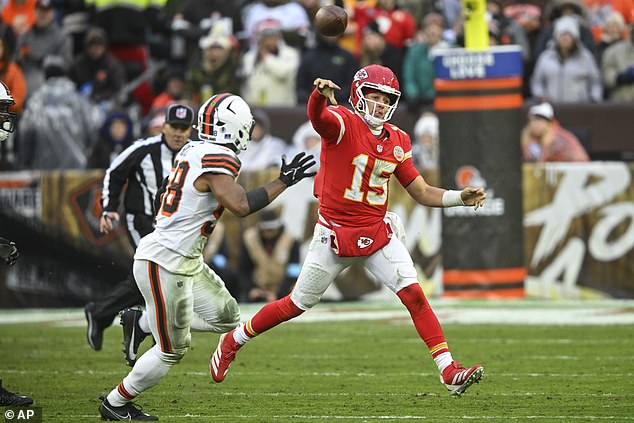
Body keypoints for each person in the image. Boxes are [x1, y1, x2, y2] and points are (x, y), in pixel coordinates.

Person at [210, 64, 487, 396]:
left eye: (387, 100)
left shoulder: (398, 139)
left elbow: (421, 190)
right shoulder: (342, 122)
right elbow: (319, 118)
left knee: (413, 294)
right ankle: (234, 339)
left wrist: (459, 197)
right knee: (296, 304)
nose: (381, 105)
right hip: (334, 234)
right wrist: (317, 96)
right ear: (358, 96)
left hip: (377, 233)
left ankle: (448, 370)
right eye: (374, 97)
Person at [98, 93, 316, 420]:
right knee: (172, 350)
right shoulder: (217, 156)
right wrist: (283, 182)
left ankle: (142, 321)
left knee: (228, 318)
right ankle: (115, 403)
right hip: (165, 262)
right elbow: (240, 205)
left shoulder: (192, 149)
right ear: (236, 127)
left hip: (185, 260)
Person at [84, 103, 195, 364]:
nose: (178, 133)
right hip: (142, 221)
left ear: (191, 130)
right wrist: (109, 208)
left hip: (176, 227)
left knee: (160, 275)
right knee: (152, 272)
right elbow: (114, 172)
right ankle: (147, 328)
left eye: (184, 128)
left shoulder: (195, 153)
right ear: (164, 126)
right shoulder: (144, 149)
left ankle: (103, 314)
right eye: (174, 126)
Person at [239, 209, 301, 303]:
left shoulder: (291, 240)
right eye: (266, 230)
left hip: (284, 290)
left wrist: (279, 293)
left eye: (272, 230)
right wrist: (251, 288)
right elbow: (244, 269)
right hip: (258, 290)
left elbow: (293, 271)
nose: (269, 233)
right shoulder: (250, 239)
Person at [521, 102, 590, 162]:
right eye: (532, 120)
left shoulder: (559, 137)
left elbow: (582, 159)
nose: (535, 124)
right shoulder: (529, 136)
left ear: (549, 123)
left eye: (540, 120)